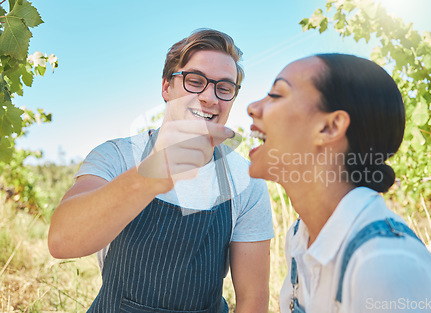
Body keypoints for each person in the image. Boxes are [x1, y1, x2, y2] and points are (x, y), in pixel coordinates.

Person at [48, 29, 273, 313]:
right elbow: (62, 241)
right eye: (195, 81)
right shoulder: (117, 157)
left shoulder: (244, 180)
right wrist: (150, 174)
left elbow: (253, 299)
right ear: (167, 87)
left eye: (224, 88)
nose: (209, 97)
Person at [247, 53, 431, 312]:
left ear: (330, 127)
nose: (252, 108)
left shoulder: (385, 264)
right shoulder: (299, 238)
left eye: (277, 95)